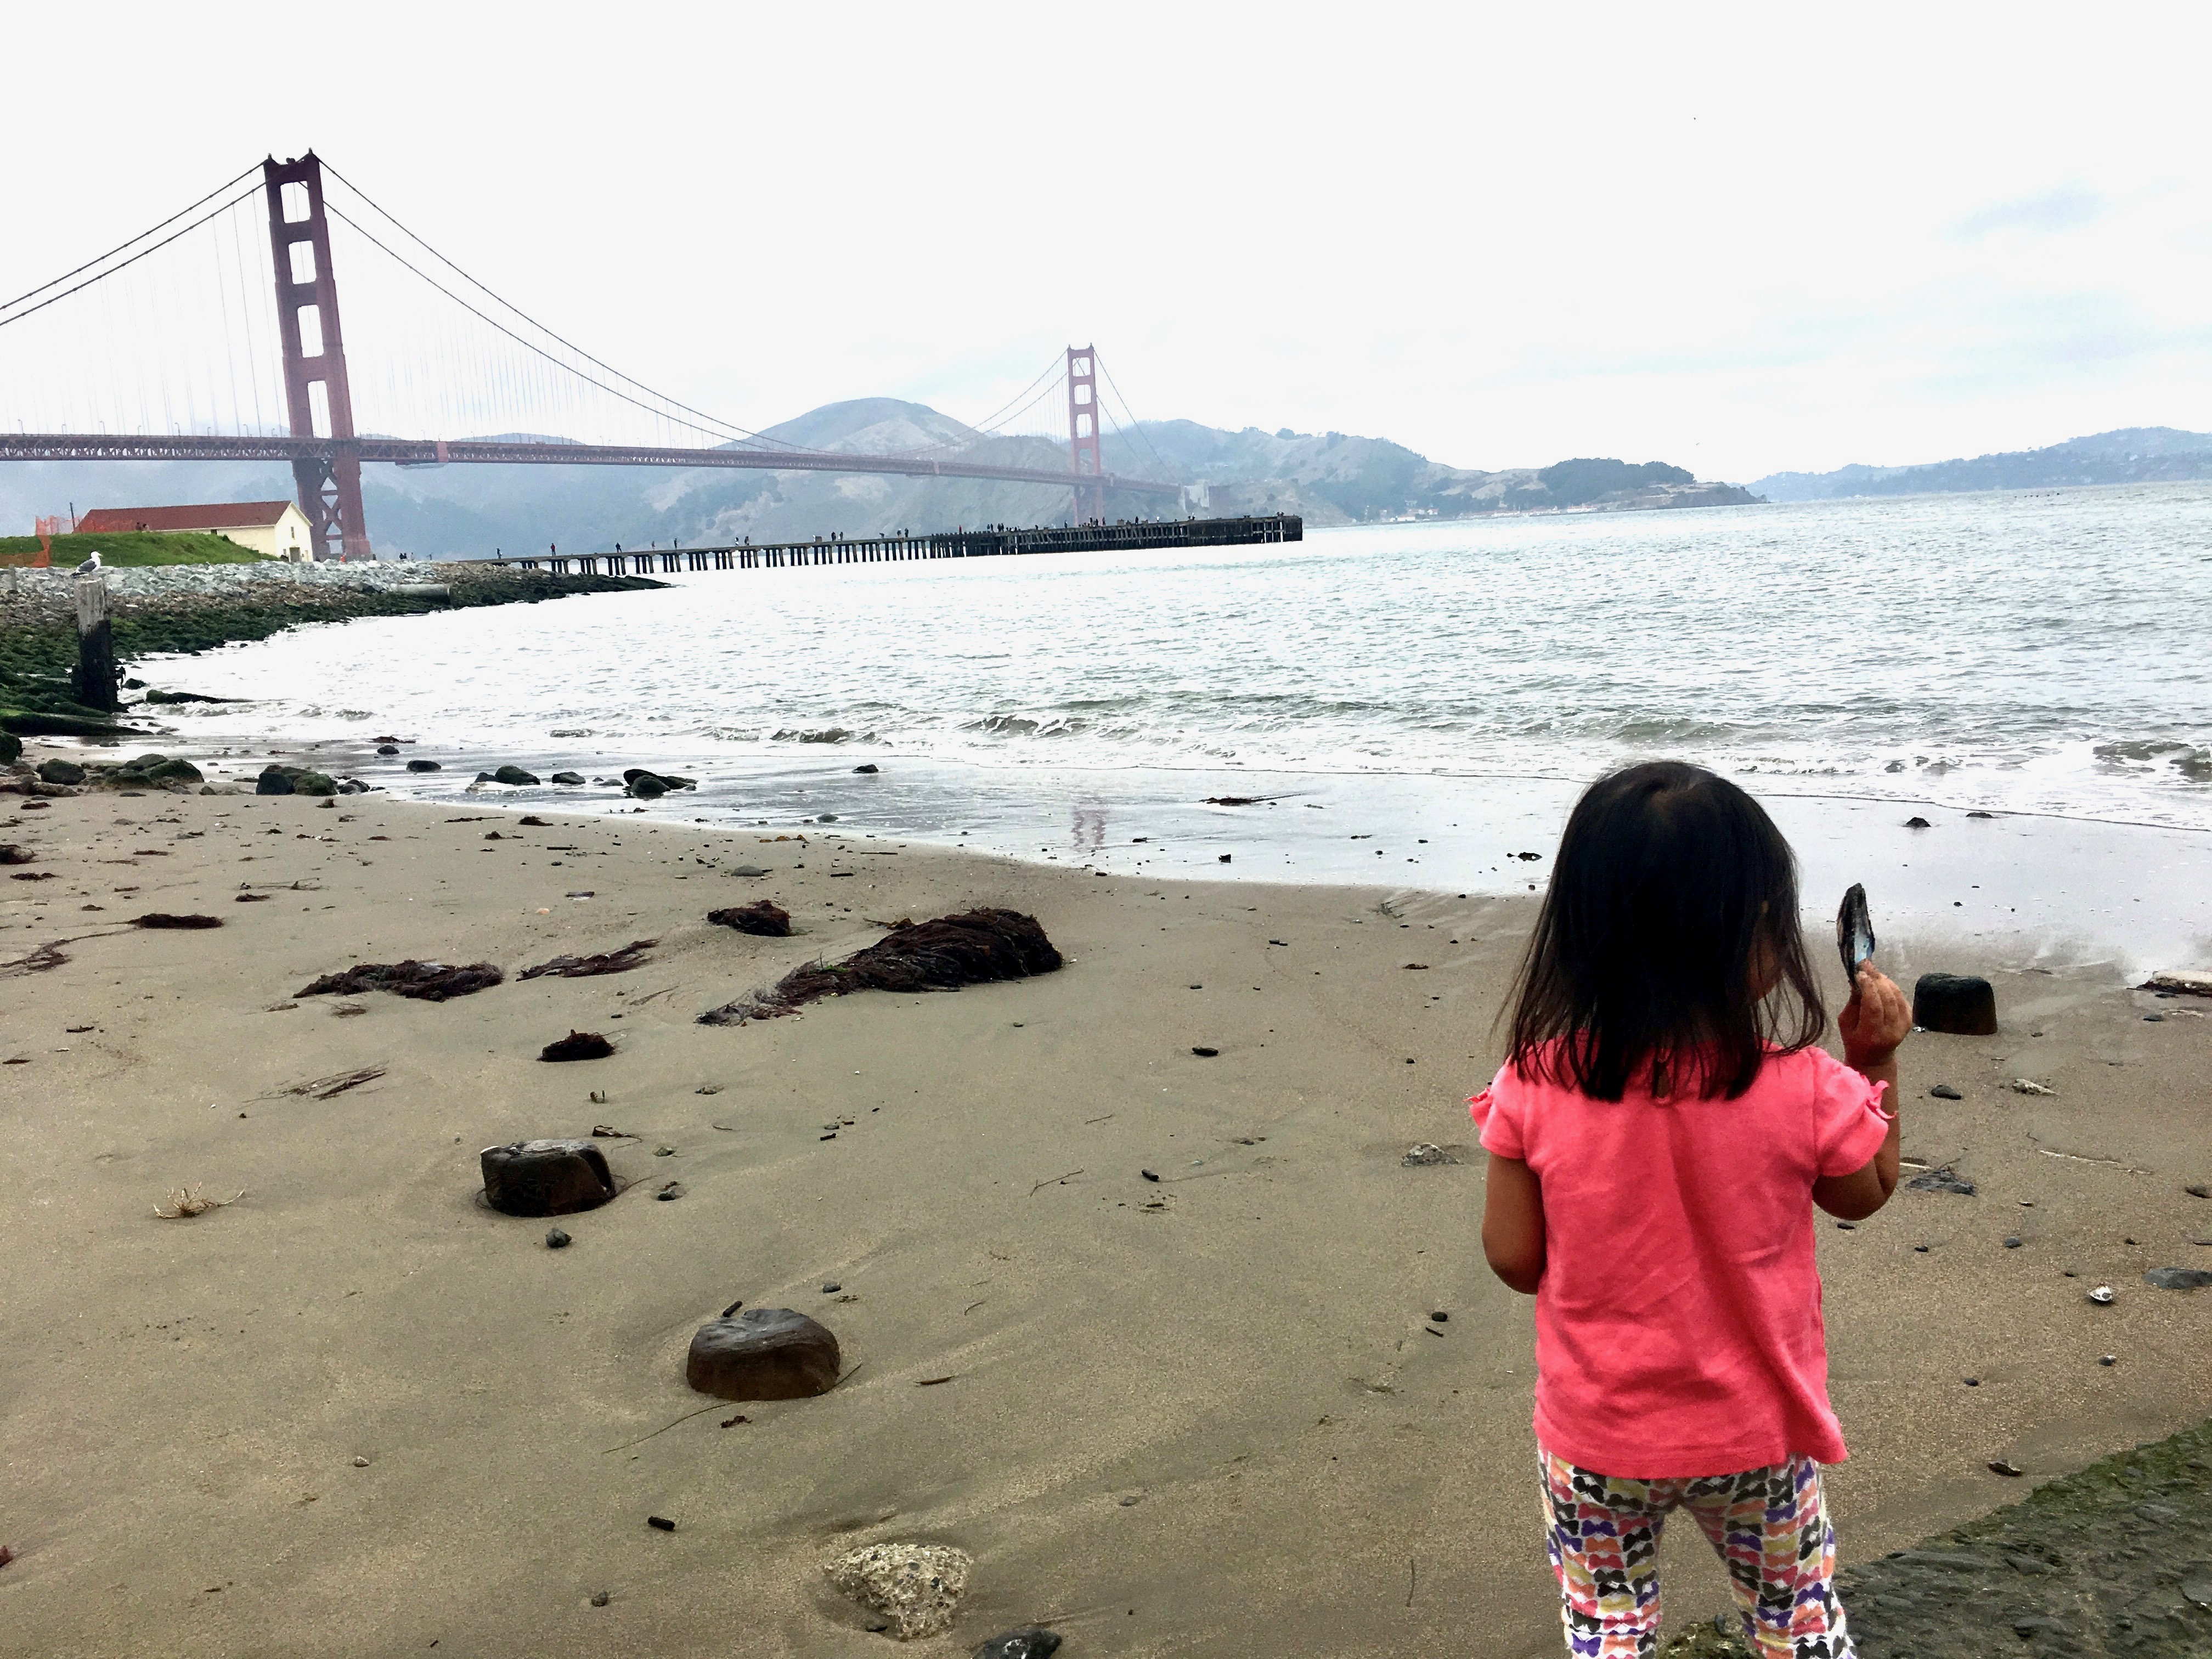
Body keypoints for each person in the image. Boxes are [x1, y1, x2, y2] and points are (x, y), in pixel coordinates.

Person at [1473, 760, 1912, 1659]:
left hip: (1595, 1435)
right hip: (1757, 1432)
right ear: (1754, 930)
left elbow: (1516, 1261)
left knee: (1609, 1625)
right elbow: (1864, 1197)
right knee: (1793, 1615)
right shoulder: (1803, 1088)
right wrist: (1874, 1062)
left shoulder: (1534, 1083)